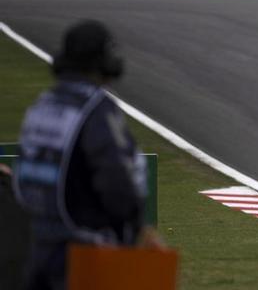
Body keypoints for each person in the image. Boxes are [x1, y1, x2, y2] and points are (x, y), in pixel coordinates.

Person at [14, 20, 159, 290]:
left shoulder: (41, 105)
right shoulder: (96, 110)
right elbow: (117, 180)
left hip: (38, 244)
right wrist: (134, 225)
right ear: (101, 60)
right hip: (85, 251)